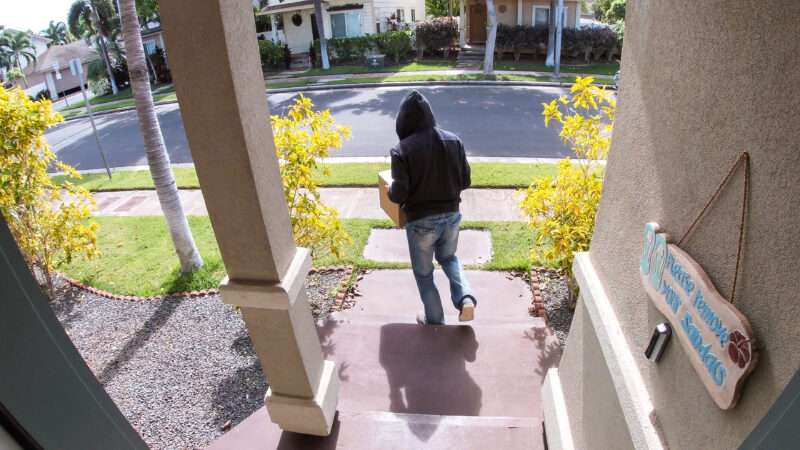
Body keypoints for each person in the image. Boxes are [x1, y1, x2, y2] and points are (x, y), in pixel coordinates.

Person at [388, 90, 477, 325]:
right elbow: (465, 181)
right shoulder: (454, 140)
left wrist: (388, 190)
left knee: (424, 274)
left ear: (403, 121)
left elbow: (399, 194)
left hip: (421, 223)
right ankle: (466, 298)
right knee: (449, 258)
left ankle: (435, 319)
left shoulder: (401, 150)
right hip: (452, 217)